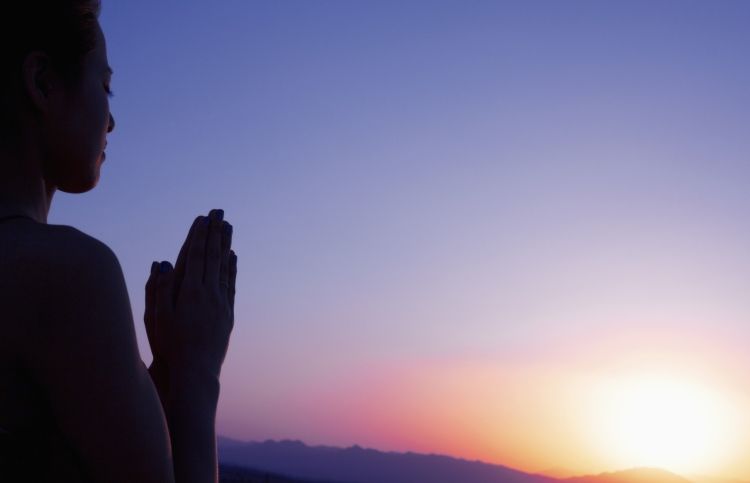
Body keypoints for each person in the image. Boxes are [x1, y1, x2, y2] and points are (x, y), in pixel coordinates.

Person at [0, 1, 237, 482]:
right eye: (105, 85)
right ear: (43, 82)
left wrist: (163, 376)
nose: (111, 121)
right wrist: (197, 371)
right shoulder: (68, 275)